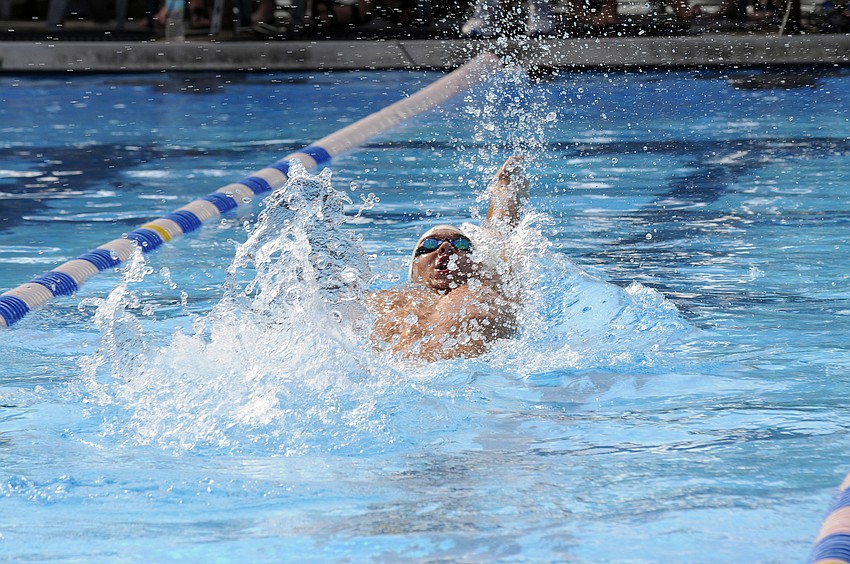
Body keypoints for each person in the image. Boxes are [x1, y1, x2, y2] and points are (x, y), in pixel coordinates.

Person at [366, 155, 529, 361]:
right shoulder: (386, 301)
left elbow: (499, 233)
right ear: (414, 270)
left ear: (476, 265)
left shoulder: (490, 286)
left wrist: (504, 189)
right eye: (430, 245)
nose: (445, 248)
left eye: (461, 245)